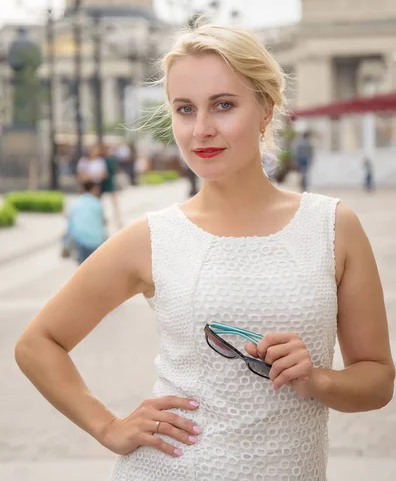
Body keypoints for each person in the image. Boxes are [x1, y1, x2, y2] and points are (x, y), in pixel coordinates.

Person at [15, 24, 394, 481]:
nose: (202, 130)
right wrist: (107, 426)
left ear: (265, 110)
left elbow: (377, 379)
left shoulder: (333, 227)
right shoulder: (153, 238)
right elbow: (37, 344)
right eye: (184, 109)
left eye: (224, 105)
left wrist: (317, 379)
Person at [67, 180, 107, 264]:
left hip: (80, 240)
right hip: (96, 241)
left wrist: (66, 244)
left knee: (82, 267)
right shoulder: (97, 203)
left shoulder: (76, 203)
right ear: (94, 189)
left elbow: (70, 225)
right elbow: (103, 223)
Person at [101, 145, 123, 229]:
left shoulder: (110, 159)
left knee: (114, 200)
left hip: (109, 181)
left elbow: (115, 169)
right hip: (104, 182)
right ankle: (103, 216)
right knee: (102, 201)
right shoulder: (103, 160)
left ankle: (117, 216)